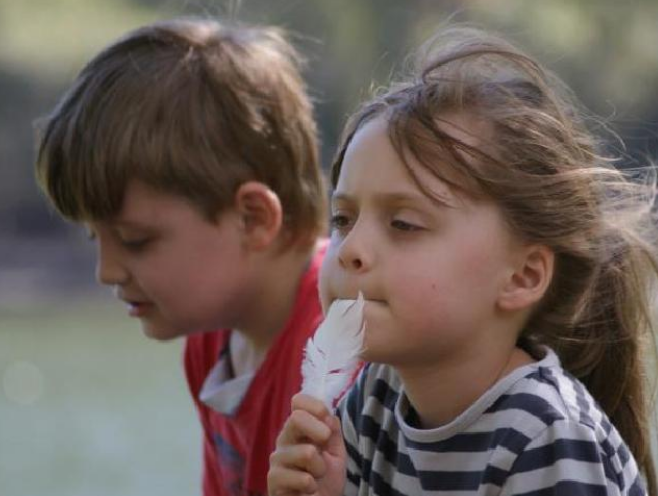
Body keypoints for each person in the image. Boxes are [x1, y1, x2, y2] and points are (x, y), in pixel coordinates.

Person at [268, 25, 658, 496]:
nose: (349, 249)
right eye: (343, 218)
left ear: (522, 276)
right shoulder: (374, 400)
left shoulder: (544, 434)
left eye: (404, 224)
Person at [35, 18, 328, 496]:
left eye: (135, 240)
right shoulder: (213, 340)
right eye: (96, 238)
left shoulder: (336, 361)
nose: (106, 271)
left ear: (252, 218)